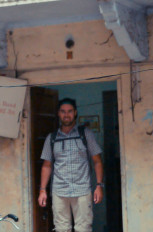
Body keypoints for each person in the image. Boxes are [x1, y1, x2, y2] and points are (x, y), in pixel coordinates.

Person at [37, 98, 104, 232]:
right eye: (63, 111)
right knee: (61, 229)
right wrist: (42, 190)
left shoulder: (85, 134)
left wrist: (99, 186)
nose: (66, 115)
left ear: (75, 113)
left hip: (82, 190)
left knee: (84, 229)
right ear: (58, 114)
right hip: (59, 191)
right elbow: (46, 166)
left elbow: (97, 161)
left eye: (69, 111)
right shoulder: (52, 138)